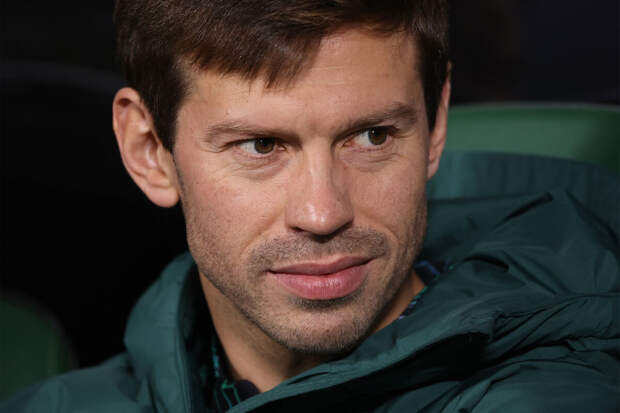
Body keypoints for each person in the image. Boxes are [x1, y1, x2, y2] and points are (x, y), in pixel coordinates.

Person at [3, 1, 619, 412]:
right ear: (149, 151)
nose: (323, 214)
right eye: (260, 146)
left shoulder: (556, 390)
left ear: (434, 126)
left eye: (372, 136)